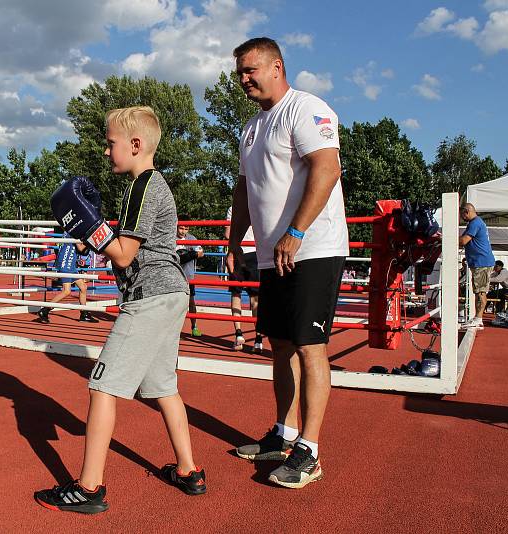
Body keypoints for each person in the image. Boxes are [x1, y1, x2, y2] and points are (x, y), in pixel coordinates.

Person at [36, 106, 205, 513]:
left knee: (101, 386)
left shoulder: (145, 185)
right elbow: (123, 247)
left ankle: (90, 488)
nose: (106, 151)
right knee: (163, 387)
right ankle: (188, 471)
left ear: (136, 144)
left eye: (111, 143)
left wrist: (90, 227)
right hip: (168, 294)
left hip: (150, 296)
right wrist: (91, 234)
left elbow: (125, 255)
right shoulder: (145, 186)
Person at [226, 38, 348, 489]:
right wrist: (235, 241)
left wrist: (295, 232)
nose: (243, 79)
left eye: (250, 70)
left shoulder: (306, 108)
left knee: (310, 346)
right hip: (271, 253)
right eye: (239, 72)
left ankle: (310, 452)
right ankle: (285, 433)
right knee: (279, 343)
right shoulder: (252, 128)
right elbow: (244, 190)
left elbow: (327, 168)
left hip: (313, 248)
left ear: (276, 66)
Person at [36, 234, 98, 323]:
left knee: (83, 287)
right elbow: (81, 249)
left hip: (70, 264)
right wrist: (90, 241)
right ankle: (45, 310)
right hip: (66, 264)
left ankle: (84, 314)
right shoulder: (75, 232)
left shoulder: (71, 231)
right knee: (66, 291)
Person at [225, 205, 263, 352]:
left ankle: (238, 335)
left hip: (237, 252)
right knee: (255, 298)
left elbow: (228, 234)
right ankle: (258, 340)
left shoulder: (233, 207)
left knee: (236, 294)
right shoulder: (258, 205)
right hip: (255, 253)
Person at [459, 203, 495, 330]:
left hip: (481, 262)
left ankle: (478, 319)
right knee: (479, 290)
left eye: (462, 214)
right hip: (480, 262)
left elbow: (463, 241)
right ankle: (477, 318)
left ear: (466, 211)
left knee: (480, 291)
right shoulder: (477, 223)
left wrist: (447, 239)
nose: (461, 217)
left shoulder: (475, 223)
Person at [176, 218, 204, 336]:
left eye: (186, 229)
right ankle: (173, 329)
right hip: (173, 274)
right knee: (173, 302)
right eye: (181, 228)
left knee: (191, 302)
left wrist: (191, 255)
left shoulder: (191, 239)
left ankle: (194, 326)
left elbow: (201, 252)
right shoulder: (170, 237)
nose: (183, 231)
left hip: (188, 274)